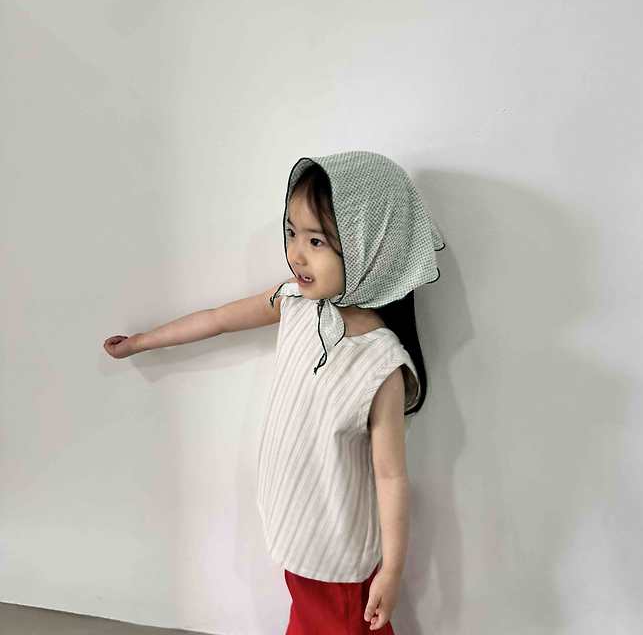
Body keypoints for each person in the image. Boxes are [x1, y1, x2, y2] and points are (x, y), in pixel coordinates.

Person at [104, 151, 444, 633]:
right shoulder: (296, 302)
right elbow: (218, 319)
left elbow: (391, 476)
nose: (296, 254)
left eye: (316, 241)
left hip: (338, 558)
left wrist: (392, 570)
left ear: (372, 248)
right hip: (298, 530)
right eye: (291, 232)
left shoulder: (381, 364)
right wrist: (143, 342)